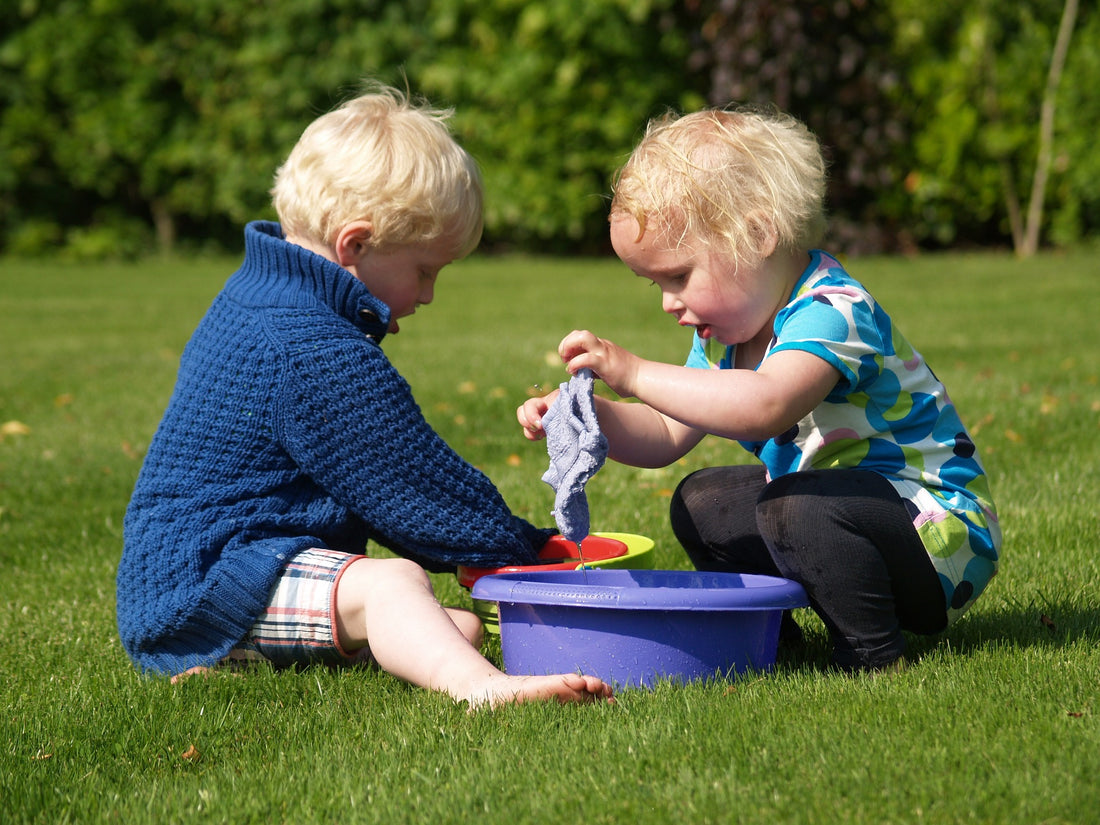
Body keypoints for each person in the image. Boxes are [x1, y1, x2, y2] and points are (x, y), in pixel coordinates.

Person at [117, 83, 613, 707]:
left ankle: (241, 663)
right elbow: (411, 484)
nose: (429, 294)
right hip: (208, 584)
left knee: (448, 625)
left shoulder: (260, 293)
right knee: (394, 585)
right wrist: (525, 547)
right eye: (425, 270)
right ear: (354, 246)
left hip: (207, 573)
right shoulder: (311, 348)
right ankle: (483, 689)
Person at [517, 106, 1001, 672]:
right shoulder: (726, 338)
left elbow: (765, 406)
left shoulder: (833, 310)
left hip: (934, 534)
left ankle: (872, 655)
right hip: (836, 514)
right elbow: (668, 430)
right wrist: (585, 415)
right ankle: (772, 641)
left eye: (678, 276)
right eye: (656, 283)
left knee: (791, 507)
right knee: (703, 502)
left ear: (757, 235)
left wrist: (634, 371)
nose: (668, 302)